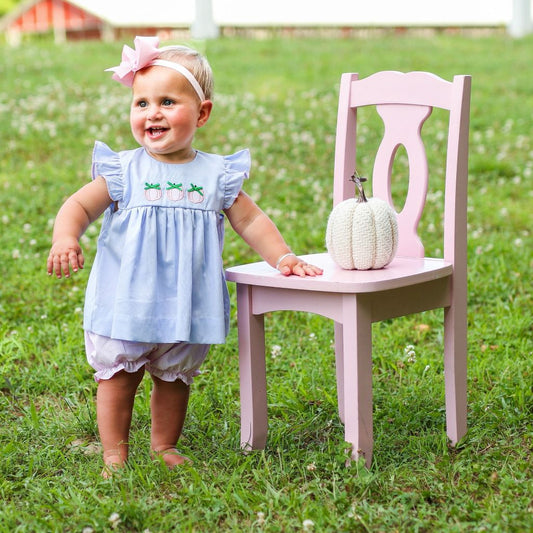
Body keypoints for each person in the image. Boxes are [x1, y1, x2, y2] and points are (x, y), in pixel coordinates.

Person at [47, 36, 322, 476]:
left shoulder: (216, 174)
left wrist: (283, 255)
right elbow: (78, 205)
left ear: (202, 113)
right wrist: (66, 236)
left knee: (173, 377)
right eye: (141, 103)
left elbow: (250, 221)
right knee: (119, 376)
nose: (152, 112)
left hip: (186, 299)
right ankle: (114, 453)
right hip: (126, 298)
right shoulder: (124, 169)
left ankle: (164, 445)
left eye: (168, 101)